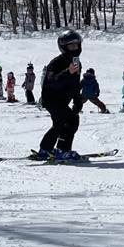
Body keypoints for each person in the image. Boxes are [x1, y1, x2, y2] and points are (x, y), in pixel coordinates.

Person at [35, 28, 84, 160]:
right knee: (62, 121)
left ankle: (51, 149)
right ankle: (58, 150)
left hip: (63, 100)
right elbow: (51, 81)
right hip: (51, 99)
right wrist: (67, 72)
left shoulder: (76, 63)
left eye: (76, 45)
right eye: (71, 45)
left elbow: (75, 84)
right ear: (63, 47)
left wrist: (78, 100)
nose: (74, 48)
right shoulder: (56, 63)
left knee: (71, 121)